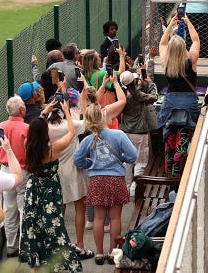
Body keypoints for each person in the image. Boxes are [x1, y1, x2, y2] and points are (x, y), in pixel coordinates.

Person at [20, 101, 83, 272]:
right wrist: (67, 113)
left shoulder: (28, 145)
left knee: (35, 225)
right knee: (53, 227)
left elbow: (35, 129)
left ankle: (37, 261)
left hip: (33, 191)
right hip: (50, 192)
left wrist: (44, 113)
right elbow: (71, 132)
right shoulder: (52, 149)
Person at [73, 103, 138, 266]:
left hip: (97, 180)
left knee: (98, 218)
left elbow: (77, 160)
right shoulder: (119, 134)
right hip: (116, 179)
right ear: (102, 117)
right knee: (115, 217)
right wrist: (122, 159)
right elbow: (133, 155)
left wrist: (91, 163)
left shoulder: (88, 139)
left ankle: (100, 253)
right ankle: (112, 252)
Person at [43, 92, 93, 260]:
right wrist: (83, 102)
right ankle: (80, 245)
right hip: (74, 172)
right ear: (64, 108)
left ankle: (58, 244)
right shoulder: (70, 126)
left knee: (58, 211)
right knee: (80, 208)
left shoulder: (45, 127)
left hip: (55, 173)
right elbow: (88, 122)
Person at [158, 14, 201, 178]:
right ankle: (179, 170)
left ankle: (169, 171)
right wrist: (188, 22)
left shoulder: (165, 61)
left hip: (170, 103)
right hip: (188, 104)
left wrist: (170, 25)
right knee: (183, 137)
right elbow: (196, 41)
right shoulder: (191, 60)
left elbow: (162, 43)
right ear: (184, 48)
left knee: (170, 137)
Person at [0, 96, 30, 259]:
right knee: (23, 209)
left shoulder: (0, 127)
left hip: (4, 170)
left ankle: (10, 246)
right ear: (22, 110)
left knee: (8, 209)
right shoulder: (26, 128)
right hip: (22, 171)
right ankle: (24, 246)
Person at [118, 70, 158, 198]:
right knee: (140, 161)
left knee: (127, 162)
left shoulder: (121, 94)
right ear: (133, 81)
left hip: (125, 132)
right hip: (140, 132)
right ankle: (135, 188)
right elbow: (154, 97)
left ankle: (126, 188)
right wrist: (151, 84)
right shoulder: (138, 95)